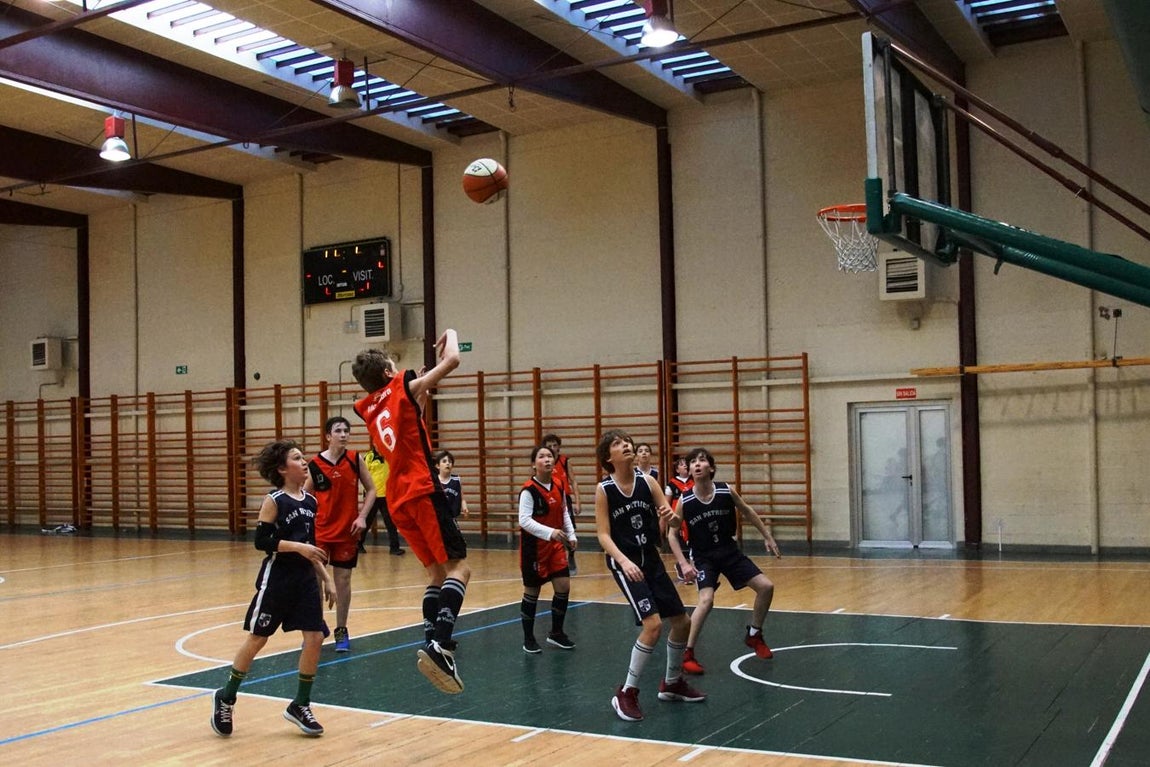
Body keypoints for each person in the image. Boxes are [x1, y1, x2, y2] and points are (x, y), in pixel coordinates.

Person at [352, 330, 469, 694]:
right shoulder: (401, 386)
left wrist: (417, 394)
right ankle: (440, 646)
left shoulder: (370, 406)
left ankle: (432, 639)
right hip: (422, 489)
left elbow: (406, 423)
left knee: (436, 573)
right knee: (459, 567)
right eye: (394, 365)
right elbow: (453, 360)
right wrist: (450, 335)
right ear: (389, 373)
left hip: (398, 499)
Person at [211, 440, 336, 738]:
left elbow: (311, 548)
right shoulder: (275, 500)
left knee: (316, 636)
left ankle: (301, 704)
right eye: (297, 458)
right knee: (257, 639)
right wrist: (298, 547)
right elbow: (262, 542)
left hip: (305, 578)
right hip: (278, 578)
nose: (304, 462)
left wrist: (326, 576)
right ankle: (226, 696)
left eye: (303, 457)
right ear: (282, 469)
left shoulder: (310, 501)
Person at [594, 428, 705, 722]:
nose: (626, 445)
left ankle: (671, 683)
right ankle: (626, 692)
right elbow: (603, 535)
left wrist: (672, 517)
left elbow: (672, 520)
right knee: (653, 625)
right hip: (625, 563)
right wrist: (623, 560)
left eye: (627, 441)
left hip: (651, 559)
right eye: (618, 444)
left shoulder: (649, 482)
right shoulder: (604, 489)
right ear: (609, 457)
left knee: (682, 622)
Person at [667, 447, 781, 676]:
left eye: (702, 460)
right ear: (689, 470)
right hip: (703, 556)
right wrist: (684, 563)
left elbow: (748, 512)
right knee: (706, 601)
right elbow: (671, 534)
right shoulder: (685, 501)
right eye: (693, 462)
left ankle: (754, 634)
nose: (697, 465)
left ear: (711, 467)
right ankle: (687, 653)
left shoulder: (725, 491)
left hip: (729, 551)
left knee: (766, 587)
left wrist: (767, 536)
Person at [304, 416, 376, 653]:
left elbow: (373, 490)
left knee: (343, 581)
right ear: (328, 436)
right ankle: (315, 627)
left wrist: (362, 516)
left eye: (347, 430)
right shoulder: (314, 465)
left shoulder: (355, 459)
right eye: (338, 430)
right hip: (321, 532)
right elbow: (305, 498)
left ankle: (341, 629)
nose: (344, 434)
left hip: (348, 531)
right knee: (315, 581)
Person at [517, 444, 577, 654]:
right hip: (534, 549)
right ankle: (528, 638)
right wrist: (550, 532)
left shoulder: (559, 484)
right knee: (532, 591)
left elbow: (564, 512)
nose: (547, 459)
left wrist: (571, 534)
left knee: (563, 586)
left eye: (550, 456)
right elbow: (524, 521)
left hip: (555, 547)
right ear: (534, 465)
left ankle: (556, 633)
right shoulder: (528, 491)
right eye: (542, 457)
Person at [542, 433, 582, 574]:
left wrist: (577, 501)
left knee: (569, 529)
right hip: (548, 499)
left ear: (559, 447)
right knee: (549, 530)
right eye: (549, 446)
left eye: (555, 445)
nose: (553, 448)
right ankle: (550, 560)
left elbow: (573, 481)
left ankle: (570, 557)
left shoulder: (565, 461)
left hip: (565, 499)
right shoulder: (542, 463)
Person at [362, 447, 405, 555]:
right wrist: (365, 493)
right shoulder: (369, 457)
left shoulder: (390, 455)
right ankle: (358, 545)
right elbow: (363, 475)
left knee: (391, 523)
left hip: (387, 496)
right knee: (366, 522)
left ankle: (394, 548)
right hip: (372, 496)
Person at [434, 449, 470, 520]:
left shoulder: (456, 480)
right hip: (438, 518)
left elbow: (462, 499)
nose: (447, 463)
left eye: (450, 462)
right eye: (444, 461)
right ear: (438, 466)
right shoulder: (434, 481)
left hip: (452, 517)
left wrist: (465, 508)